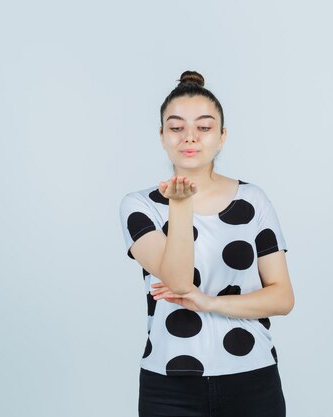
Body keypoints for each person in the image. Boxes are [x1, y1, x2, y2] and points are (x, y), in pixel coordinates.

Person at [119, 70, 294, 417]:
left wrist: (210, 302)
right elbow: (180, 281)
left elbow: (282, 297)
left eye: (204, 127)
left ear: (222, 136)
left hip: (252, 377)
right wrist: (180, 204)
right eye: (176, 127)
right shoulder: (139, 206)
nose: (190, 137)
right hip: (170, 385)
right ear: (162, 135)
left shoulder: (253, 201)